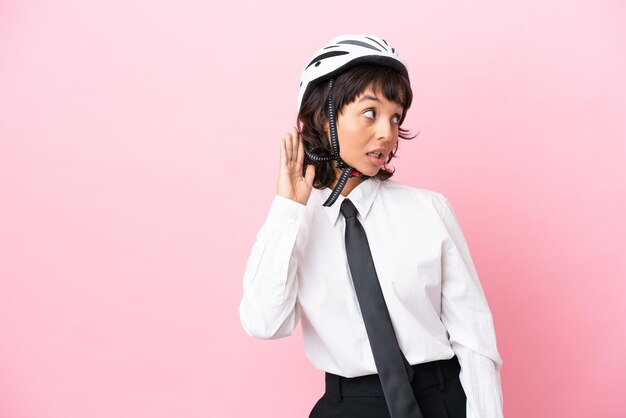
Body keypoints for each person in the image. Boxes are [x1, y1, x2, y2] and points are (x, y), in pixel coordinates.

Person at [238, 34, 503, 418]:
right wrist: (288, 210)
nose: (387, 133)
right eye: (370, 113)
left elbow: (474, 336)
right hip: (350, 406)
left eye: (396, 117)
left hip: (441, 401)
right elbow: (265, 323)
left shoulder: (428, 210)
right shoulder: (295, 224)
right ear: (320, 116)